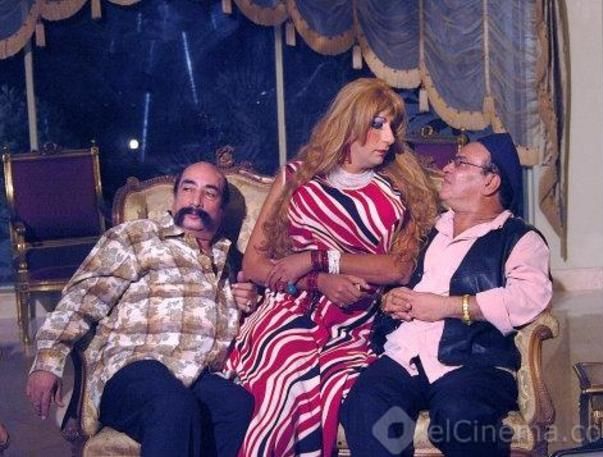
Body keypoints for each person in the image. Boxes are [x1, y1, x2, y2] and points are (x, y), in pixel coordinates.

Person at [225, 77, 439, 456]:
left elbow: (400, 269)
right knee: (286, 369)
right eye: (377, 125)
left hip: (355, 322)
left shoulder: (400, 188)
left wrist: (316, 258)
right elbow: (255, 263)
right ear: (349, 123)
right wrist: (318, 281)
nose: (389, 138)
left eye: (392, 126)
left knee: (347, 387)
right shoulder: (295, 177)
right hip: (288, 308)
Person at [340, 133, 553, 457]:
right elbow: (393, 279)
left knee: (458, 417)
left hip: (473, 364)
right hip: (406, 357)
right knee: (367, 405)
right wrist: (390, 299)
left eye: (460, 163)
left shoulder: (519, 239)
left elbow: (529, 297)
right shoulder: (426, 231)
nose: (447, 168)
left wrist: (449, 307)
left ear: (491, 181)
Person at [26, 161, 257, 457]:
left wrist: (247, 302)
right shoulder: (137, 236)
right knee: (172, 404)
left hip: (194, 374)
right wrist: (47, 362)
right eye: (188, 189)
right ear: (174, 198)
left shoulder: (228, 261)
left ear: (221, 210)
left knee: (235, 404)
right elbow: (82, 298)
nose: (196, 201)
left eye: (209, 193)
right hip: (133, 369)